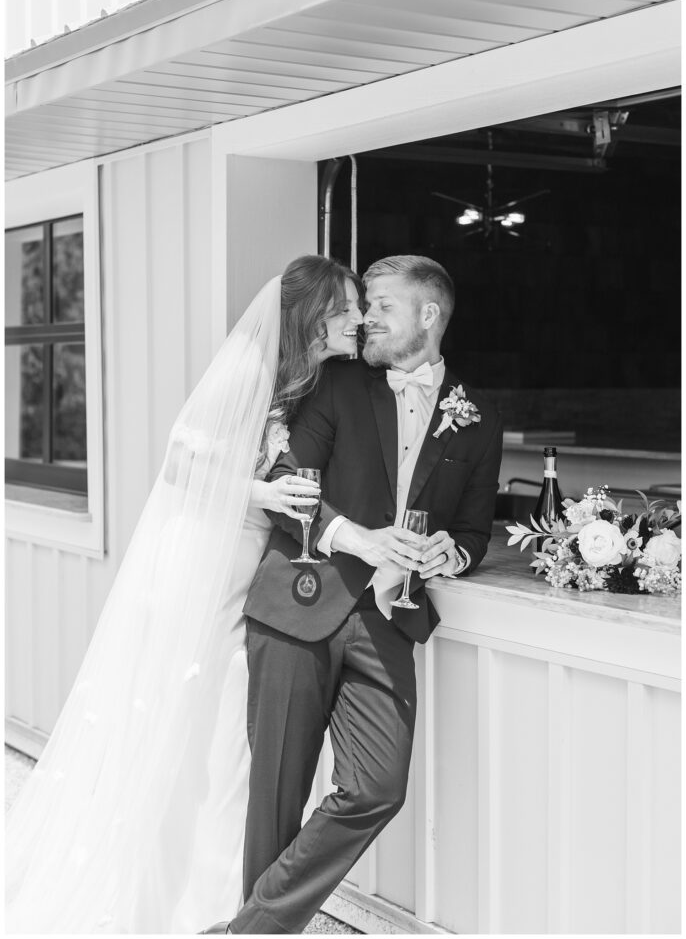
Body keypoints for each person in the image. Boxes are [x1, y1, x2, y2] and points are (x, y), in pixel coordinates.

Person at [5, 255, 364, 934]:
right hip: (203, 557)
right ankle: (160, 893)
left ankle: (211, 892)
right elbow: (178, 463)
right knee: (186, 710)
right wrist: (260, 492)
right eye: (346, 307)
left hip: (244, 563)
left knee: (221, 722)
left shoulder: (309, 379)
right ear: (313, 313)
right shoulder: (248, 367)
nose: (358, 319)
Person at [201, 254, 504, 936]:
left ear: (428, 316)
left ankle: (245, 930)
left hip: (390, 620)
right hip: (298, 603)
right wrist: (359, 539)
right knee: (275, 800)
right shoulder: (335, 384)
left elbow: (474, 530)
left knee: (376, 788)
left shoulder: (478, 418)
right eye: (361, 304)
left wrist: (447, 552)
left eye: (382, 305)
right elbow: (289, 493)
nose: (365, 317)